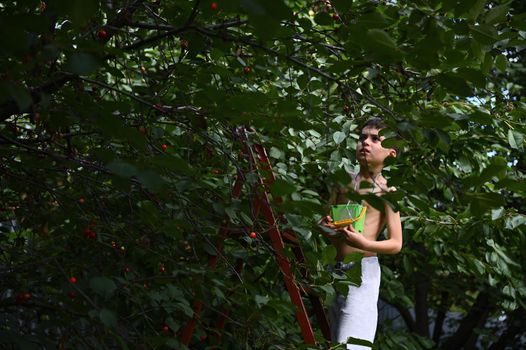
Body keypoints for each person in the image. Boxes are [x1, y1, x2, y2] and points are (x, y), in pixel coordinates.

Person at [319, 117, 403, 349]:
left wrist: (364, 243)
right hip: (334, 271)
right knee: (334, 342)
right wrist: (325, 228)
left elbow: (396, 244)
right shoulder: (343, 182)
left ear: (391, 153)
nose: (366, 142)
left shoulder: (388, 191)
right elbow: (329, 227)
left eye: (376, 139)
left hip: (363, 273)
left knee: (352, 345)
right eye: (362, 137)